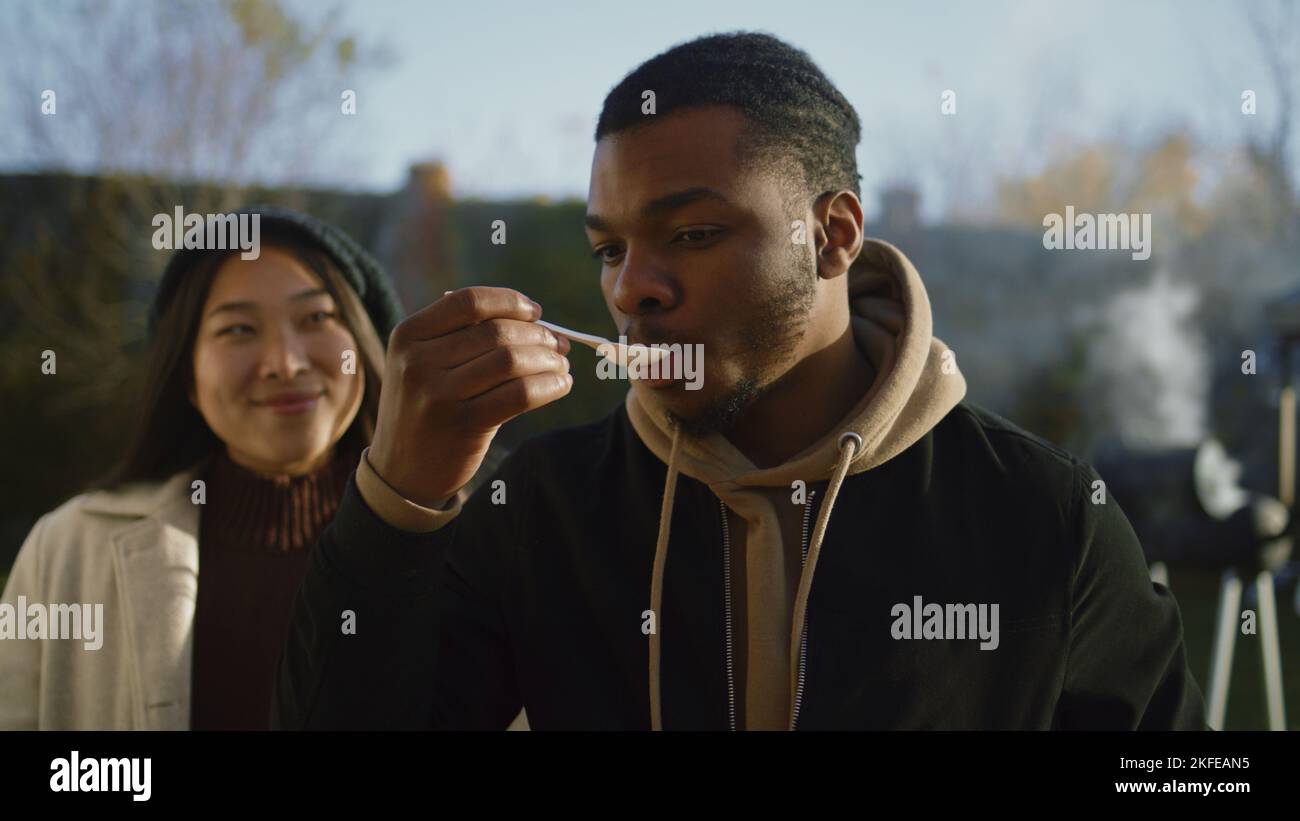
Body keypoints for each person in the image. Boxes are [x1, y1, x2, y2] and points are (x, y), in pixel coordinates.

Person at [274, 33, 1207, 730]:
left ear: (833, 235)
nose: (630, 286)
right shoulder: (538, 510)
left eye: (692, 234)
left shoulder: (1043, 514)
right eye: (609, 248)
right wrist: (398, 495)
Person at [0, 206, 403, 729]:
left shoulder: (467, 534)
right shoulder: (69, 546)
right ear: (185, 376)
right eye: (238, 329)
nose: (286, 362)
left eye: (317, 318)